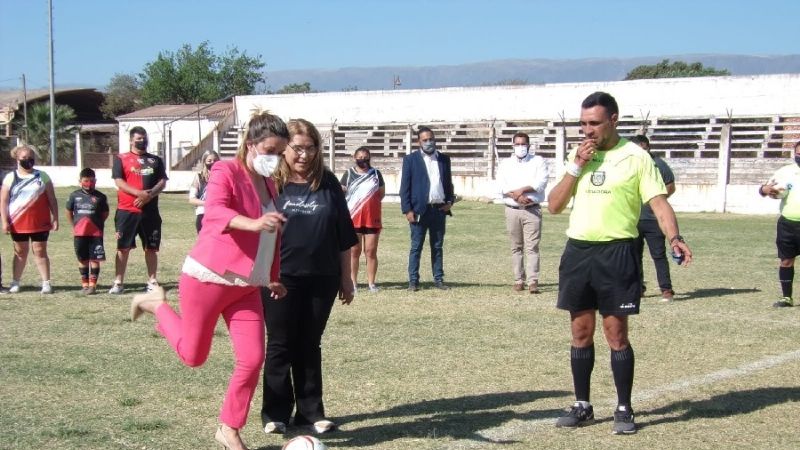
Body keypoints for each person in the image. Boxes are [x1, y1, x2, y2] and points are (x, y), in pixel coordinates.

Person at [129, 111, 289, 450]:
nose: (274, 159)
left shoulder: (271, 184)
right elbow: (214, 212)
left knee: (252, 358)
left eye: (280, 152)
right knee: (193, 356)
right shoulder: (225, 170)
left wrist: (272, 277)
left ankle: (229, 428)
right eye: (270, 150)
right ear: (251, 145)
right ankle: (157, 305)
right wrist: (251, 223)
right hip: (208, 279)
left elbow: (271, 234)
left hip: (246, 287)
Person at [547, 92, 692, 435]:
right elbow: (553, 205)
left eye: (594, 123)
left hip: (618, 253)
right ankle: (582, 405)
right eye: (582, 123)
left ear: (613, 120)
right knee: (580, 332)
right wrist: (576, 165)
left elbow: (658, 204)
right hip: (579, 252)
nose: (587, 131)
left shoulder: (637, 157)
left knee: (616, 334)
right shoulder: (577, 155)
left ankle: (623, 408)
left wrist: (674, 237)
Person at [261, 118, 357, 435]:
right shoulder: (269, 183)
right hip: (280, 278)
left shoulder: (327, 183)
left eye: (310, 147)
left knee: (309, 343)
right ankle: (275, 414)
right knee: (279, 344)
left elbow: (344, 236)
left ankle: (310, 412)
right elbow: (256, 234)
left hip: (322, 278)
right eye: (297, 148)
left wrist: (346, 278)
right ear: (284, 149)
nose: (304, 155)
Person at [109, 126, 168, 294]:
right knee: (123, 248)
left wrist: (149, 196)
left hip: (150, 213)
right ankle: (118, 282)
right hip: (127, 211)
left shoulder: (155, 160)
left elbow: (162, 182)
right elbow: (119, 181)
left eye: (144, 138)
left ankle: (152, 280)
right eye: (138, 139)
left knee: (151, 247)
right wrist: (139, 194)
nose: (142, 142)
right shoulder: (121, 159)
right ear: (131, 140)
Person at [399, 126, 455, 291]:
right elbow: (405, 188)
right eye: (425, 140)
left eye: (431, 139)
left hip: (439, 210)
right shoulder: (411, 160)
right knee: (416, 246)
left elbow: (447, 183)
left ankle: (438, 279)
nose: (429, 142)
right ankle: (413, 281)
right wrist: (407, 210)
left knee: (437, 246)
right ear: (419, 142)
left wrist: (450, 201)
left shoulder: (444, 159)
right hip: (419, 210)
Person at [0, 145, 59, 294]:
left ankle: (46, 283)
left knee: (40, 251)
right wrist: (5, 221)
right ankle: (15, 282)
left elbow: (52, 199)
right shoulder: (10, 177)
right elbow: (4, 201)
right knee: (20, 252)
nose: (28, 161)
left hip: (40, 222)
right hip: (18, 221)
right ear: (17, 159)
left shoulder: (42, 176)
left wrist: (55, 218)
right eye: (24, 158)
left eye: (31, 158)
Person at [496, 132, 549, 294]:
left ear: (529, 145)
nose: (520, 147)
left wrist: (521, 190)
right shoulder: (506, 164)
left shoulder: (538, 162)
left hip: (532, 210)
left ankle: (533, 281)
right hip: (512, 210)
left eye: (523, 144)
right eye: (517, 144)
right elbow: (501, 185)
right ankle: (519, 279)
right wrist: (517, 197)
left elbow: (540, 183)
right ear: (513, 145)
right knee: (516, 247)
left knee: (532, 247)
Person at [629, 135, 677, 301]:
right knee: (634, 255)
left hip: (653, 219)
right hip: (633, 218)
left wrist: (657, 200)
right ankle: (638, 287)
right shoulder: (630, 163)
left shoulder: (658, 164)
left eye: (644, 148)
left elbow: (670, 185)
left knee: (658, 255)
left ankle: (666, 289)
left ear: (648, 147)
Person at [759, 140, 800, 308]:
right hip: (788, 225)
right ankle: (786, 297)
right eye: (798, 153)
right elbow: (765, 189)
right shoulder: (785, 172)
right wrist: (765, 190)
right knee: (786, 261)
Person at [340, 146, 385, 293]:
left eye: (366, 157)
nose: (363, 160)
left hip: (372, 218)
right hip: (353, 217)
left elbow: (381, 193)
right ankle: (353, 282)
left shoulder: (376, 174)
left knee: (371, 251)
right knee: (354, 251)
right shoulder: (348, 174)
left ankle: (371, 283)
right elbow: (341, 192)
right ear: (355, 158)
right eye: (360, 157)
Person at [65, 168, 109, 295]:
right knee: (82, 258)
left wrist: (97, 224)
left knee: (95, 259)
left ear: (95, 181)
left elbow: (105, 214)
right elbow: (68, 212)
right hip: (80, 233)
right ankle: (84, 284)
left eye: (91, 181)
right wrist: (75, 224)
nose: (89, 183)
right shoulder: (74, 195)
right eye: (86, 180)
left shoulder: (100, 197)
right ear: (80, 181)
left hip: (95, 233)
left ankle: (92, 285)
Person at [189, 150, 221, 233]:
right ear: (204, 162)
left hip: (219, 213)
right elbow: (192, 199)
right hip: (203, 213)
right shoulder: (199, 177)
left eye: (215, 160)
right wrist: (207, 203)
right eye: (209, 161)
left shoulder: (223, 177)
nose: (212, 163)